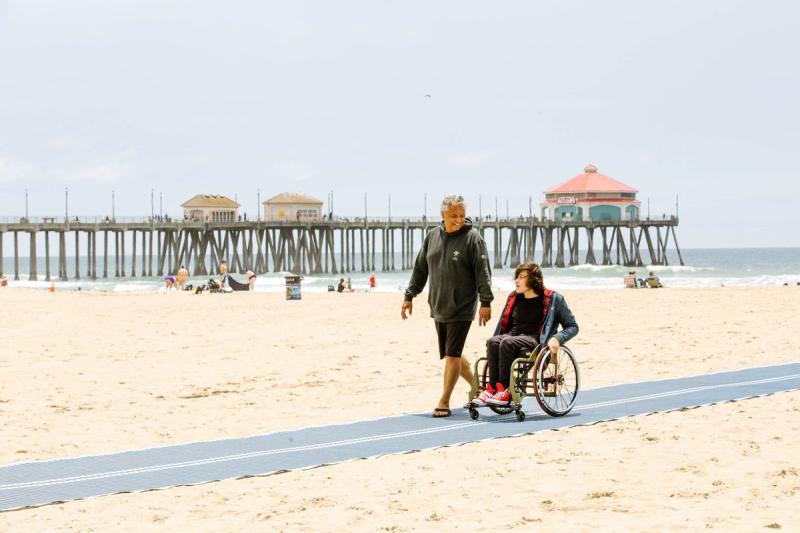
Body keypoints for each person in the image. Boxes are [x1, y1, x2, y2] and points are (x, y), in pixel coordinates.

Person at [402, 194, 493, 418]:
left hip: (462, 306)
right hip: (438, 305)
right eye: (453, 215)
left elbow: (483, 272)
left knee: (452, 355)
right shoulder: (432, 236)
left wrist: (486, 302)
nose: (459, 220)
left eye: (462, 215)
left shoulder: (473, 239)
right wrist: (410, 295)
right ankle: (480, 388)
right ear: (443, 215)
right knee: (452, 353)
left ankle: (444, 401)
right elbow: (421, 268)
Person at [473, 263, 579, 406]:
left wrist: (557, 338)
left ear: (534, 280)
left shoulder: (554, 299)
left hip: (535, 340)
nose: (517, 280)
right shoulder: (513, 297)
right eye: (516, 277)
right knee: (493, 341)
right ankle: (493, 389)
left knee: (507, 343)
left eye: (522, 277)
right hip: (513, 335)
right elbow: (502, 326)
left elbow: (572, 326)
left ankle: (506, 391)